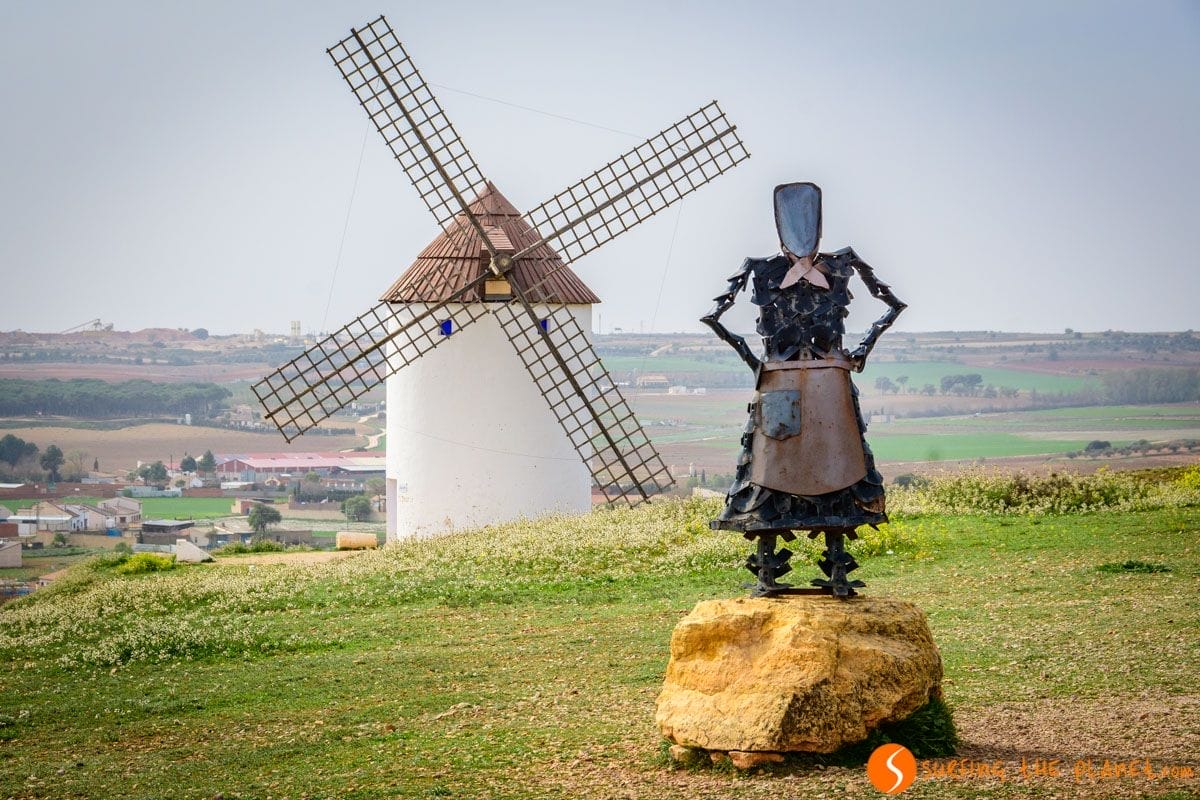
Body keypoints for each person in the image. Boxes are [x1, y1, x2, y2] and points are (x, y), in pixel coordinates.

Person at [701, 182, 906, 596]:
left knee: (838, 467)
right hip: (784, 385)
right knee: (774, 472)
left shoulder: (842, 265)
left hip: (827, 385)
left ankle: (835, 571)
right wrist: (756, 361)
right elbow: (715, 317)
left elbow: (892, 305)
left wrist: (857, 352)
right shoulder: (761, 269)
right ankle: (769, 571)